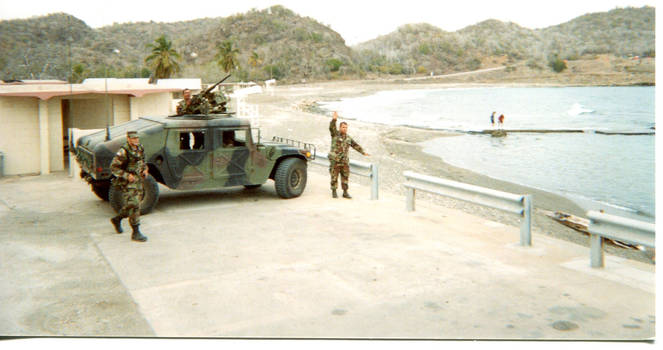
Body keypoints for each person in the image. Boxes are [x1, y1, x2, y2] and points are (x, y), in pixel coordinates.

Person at [109, 131, 149, 242]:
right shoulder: (123, 151)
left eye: (137, 138)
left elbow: (143, 161)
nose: (136, 140)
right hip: (127, 182)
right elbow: (113, 168)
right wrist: (126, 175)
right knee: (135, 204)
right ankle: (136, 232)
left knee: (133, 204)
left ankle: (117, 219)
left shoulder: (140, 148)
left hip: (138, 180)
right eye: (133, 138)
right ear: (128, 139)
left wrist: (145, 169)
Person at [329, 111, 369, 199]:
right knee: (334, 176)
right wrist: (334, 120)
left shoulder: (348, 138)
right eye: (343, 127)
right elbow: (331, 127)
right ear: (339, 128)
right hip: (335, 160)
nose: (345, 129)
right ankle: (334, 191)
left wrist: (363, 152)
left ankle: (345, 192)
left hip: (344, 161)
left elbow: (355, 145)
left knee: (345, 177)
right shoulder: (335, 134)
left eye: (346, 127)